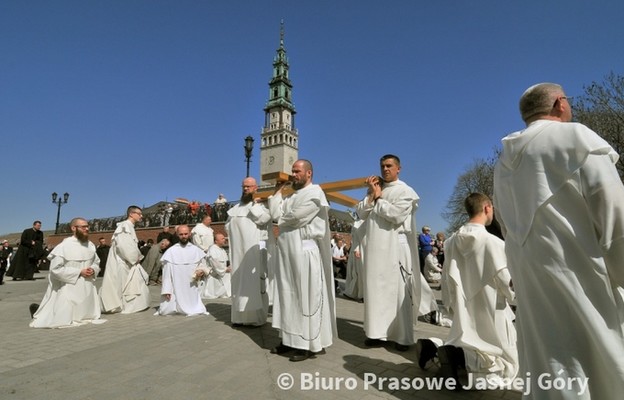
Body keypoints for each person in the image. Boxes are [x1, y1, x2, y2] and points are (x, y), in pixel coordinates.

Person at [493, 82, 624, 399]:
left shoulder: (502, 165)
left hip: (532, 277)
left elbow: (506, 224)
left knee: (550, 361)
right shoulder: (574, 139)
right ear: (559, 104)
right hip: (582, 273)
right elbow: (613, 213)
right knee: (598, 361)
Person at [416, 193, 517, 387]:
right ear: (487, 208)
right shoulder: (494, 243)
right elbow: (506, 281)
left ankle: (434, 347)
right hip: (490, 309)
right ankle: (459, 358)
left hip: (463, 309)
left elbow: (446, 278)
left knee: (463, 339)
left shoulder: (451, 242)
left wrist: (449, 305)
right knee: (506, 362)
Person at [356, 154, 437, 351]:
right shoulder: (377, 190)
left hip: (395, 247)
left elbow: (396, 215)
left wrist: (378, 198)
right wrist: (371, 194)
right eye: (382, 166)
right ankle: (376, 333)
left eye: (389, 166)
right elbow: (360, 213)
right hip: (375, 247)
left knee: (398, 292)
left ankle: (402, 337)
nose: (385, 169)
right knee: (376, 291)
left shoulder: (405, 191)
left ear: (398, 168)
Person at [268, 159, 337, 362]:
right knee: (287, 296)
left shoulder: (316, 193)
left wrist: (281, 217)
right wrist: (278, 192)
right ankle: (289, 339)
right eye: (292, 171)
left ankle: (307, 343)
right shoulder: (291, 196)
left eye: (297, 171)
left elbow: (298, 217)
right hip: (287, 251)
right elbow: (275, 214)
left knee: (305, 296)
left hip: (305, 251)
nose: (293, 175)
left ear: (309, 173)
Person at [30, 218, 105, 328]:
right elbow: (55, 269)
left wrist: (93, 269)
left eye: (87, 226)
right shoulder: (64, 246)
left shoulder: (90, 245)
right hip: (70, 286)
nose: (87, 229)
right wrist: (79, 272)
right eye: (83, 227)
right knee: (65, 316)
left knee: (87, 315)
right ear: (74, 228)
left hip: (88, 286)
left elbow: (96, 261)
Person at [225, 177, 272, 327]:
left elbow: (264, 219)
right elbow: (228, 226)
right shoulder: (235, 207)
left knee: (256, 283)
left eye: (249, 187)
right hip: (238, 252)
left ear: (255, 188)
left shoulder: (261, 205)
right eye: (244, 187)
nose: (245, 189)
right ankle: (239, 318)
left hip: (255, 250)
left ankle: (256, 318)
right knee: (239, 281)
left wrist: (255, 206)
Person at [99, 206, 151, 314]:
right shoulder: (124, 226)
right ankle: (121, 305)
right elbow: (124, 246)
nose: (141, 216)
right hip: (123, 262)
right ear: (131, 214)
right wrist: (135, 258)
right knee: (122, 285)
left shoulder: (130, 226)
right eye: (139, 214)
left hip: (128, 262)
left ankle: (126, 304)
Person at [156, 225, 209, 316]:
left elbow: (202, 265)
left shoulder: (196, 250)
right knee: (168, 308)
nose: (183, 236)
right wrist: (167, 289)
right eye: (181, 234)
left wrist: (201, 271)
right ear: (177, 235)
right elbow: (166, 274)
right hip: (176, 285)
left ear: (189, 234)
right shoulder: (171, 252)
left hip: (191, 285)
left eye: (185, 234)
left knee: (194, 305)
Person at [201, 232, 232, 299]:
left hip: (222, 272)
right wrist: (225, 269)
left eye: (224, 238)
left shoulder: (222, 249)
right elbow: (215, 264)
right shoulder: (213, 249)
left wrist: (228, 266)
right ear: (216, 241)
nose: (224, 240)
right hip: (215, 274)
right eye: (222, 239)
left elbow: (225, 262)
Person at [343, 220, 365, 302]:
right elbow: (355, 238)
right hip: (359, 250)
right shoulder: (357, 223)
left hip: (367, 250)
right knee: (357, 273)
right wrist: (356, 249)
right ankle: (357, 293)